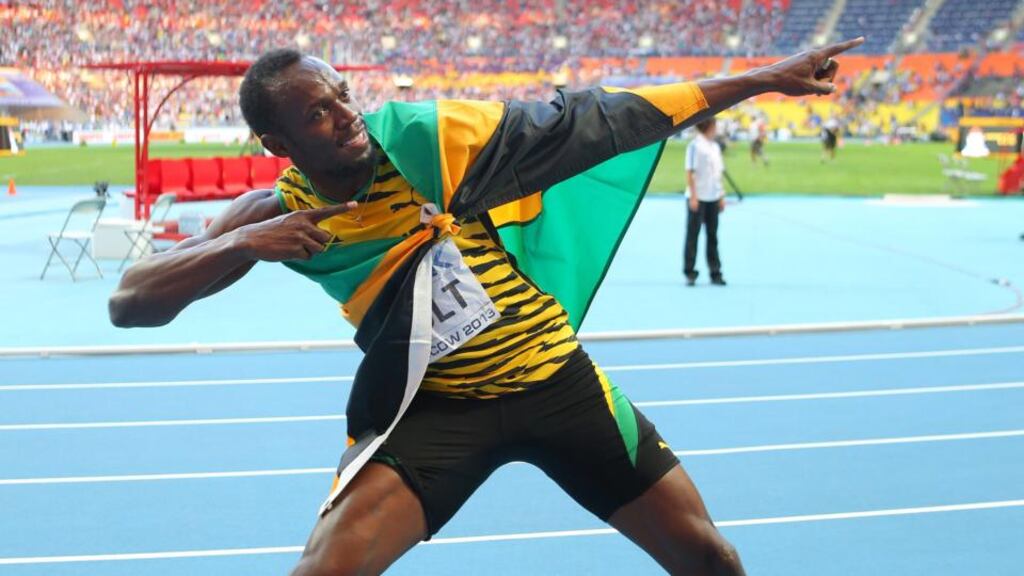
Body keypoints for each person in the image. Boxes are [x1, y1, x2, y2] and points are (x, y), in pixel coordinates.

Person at [109, 38, 863, 576]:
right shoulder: (273, 216)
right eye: (318, 114)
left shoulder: (429, 145)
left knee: (708, 556)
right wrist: (243, 246)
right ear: (278, 142)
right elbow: (129, 302)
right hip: (434, 409)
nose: (346, 115)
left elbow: (599, 120)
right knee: (324, 570)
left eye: (343, 94)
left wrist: (767, 78)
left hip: (558, 383)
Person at [684, 117, 727, 287]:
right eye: (715, 125)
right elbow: (690, 172)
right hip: (698, 197)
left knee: (712, 236)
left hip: (713, 198)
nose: (717, 128)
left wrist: (721, 196)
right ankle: (690, 271)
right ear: (709, 125)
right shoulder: (695, 146)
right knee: (692, 236)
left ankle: (715, 272)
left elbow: (718, 174)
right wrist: (693, 196)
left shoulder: (715, 147)